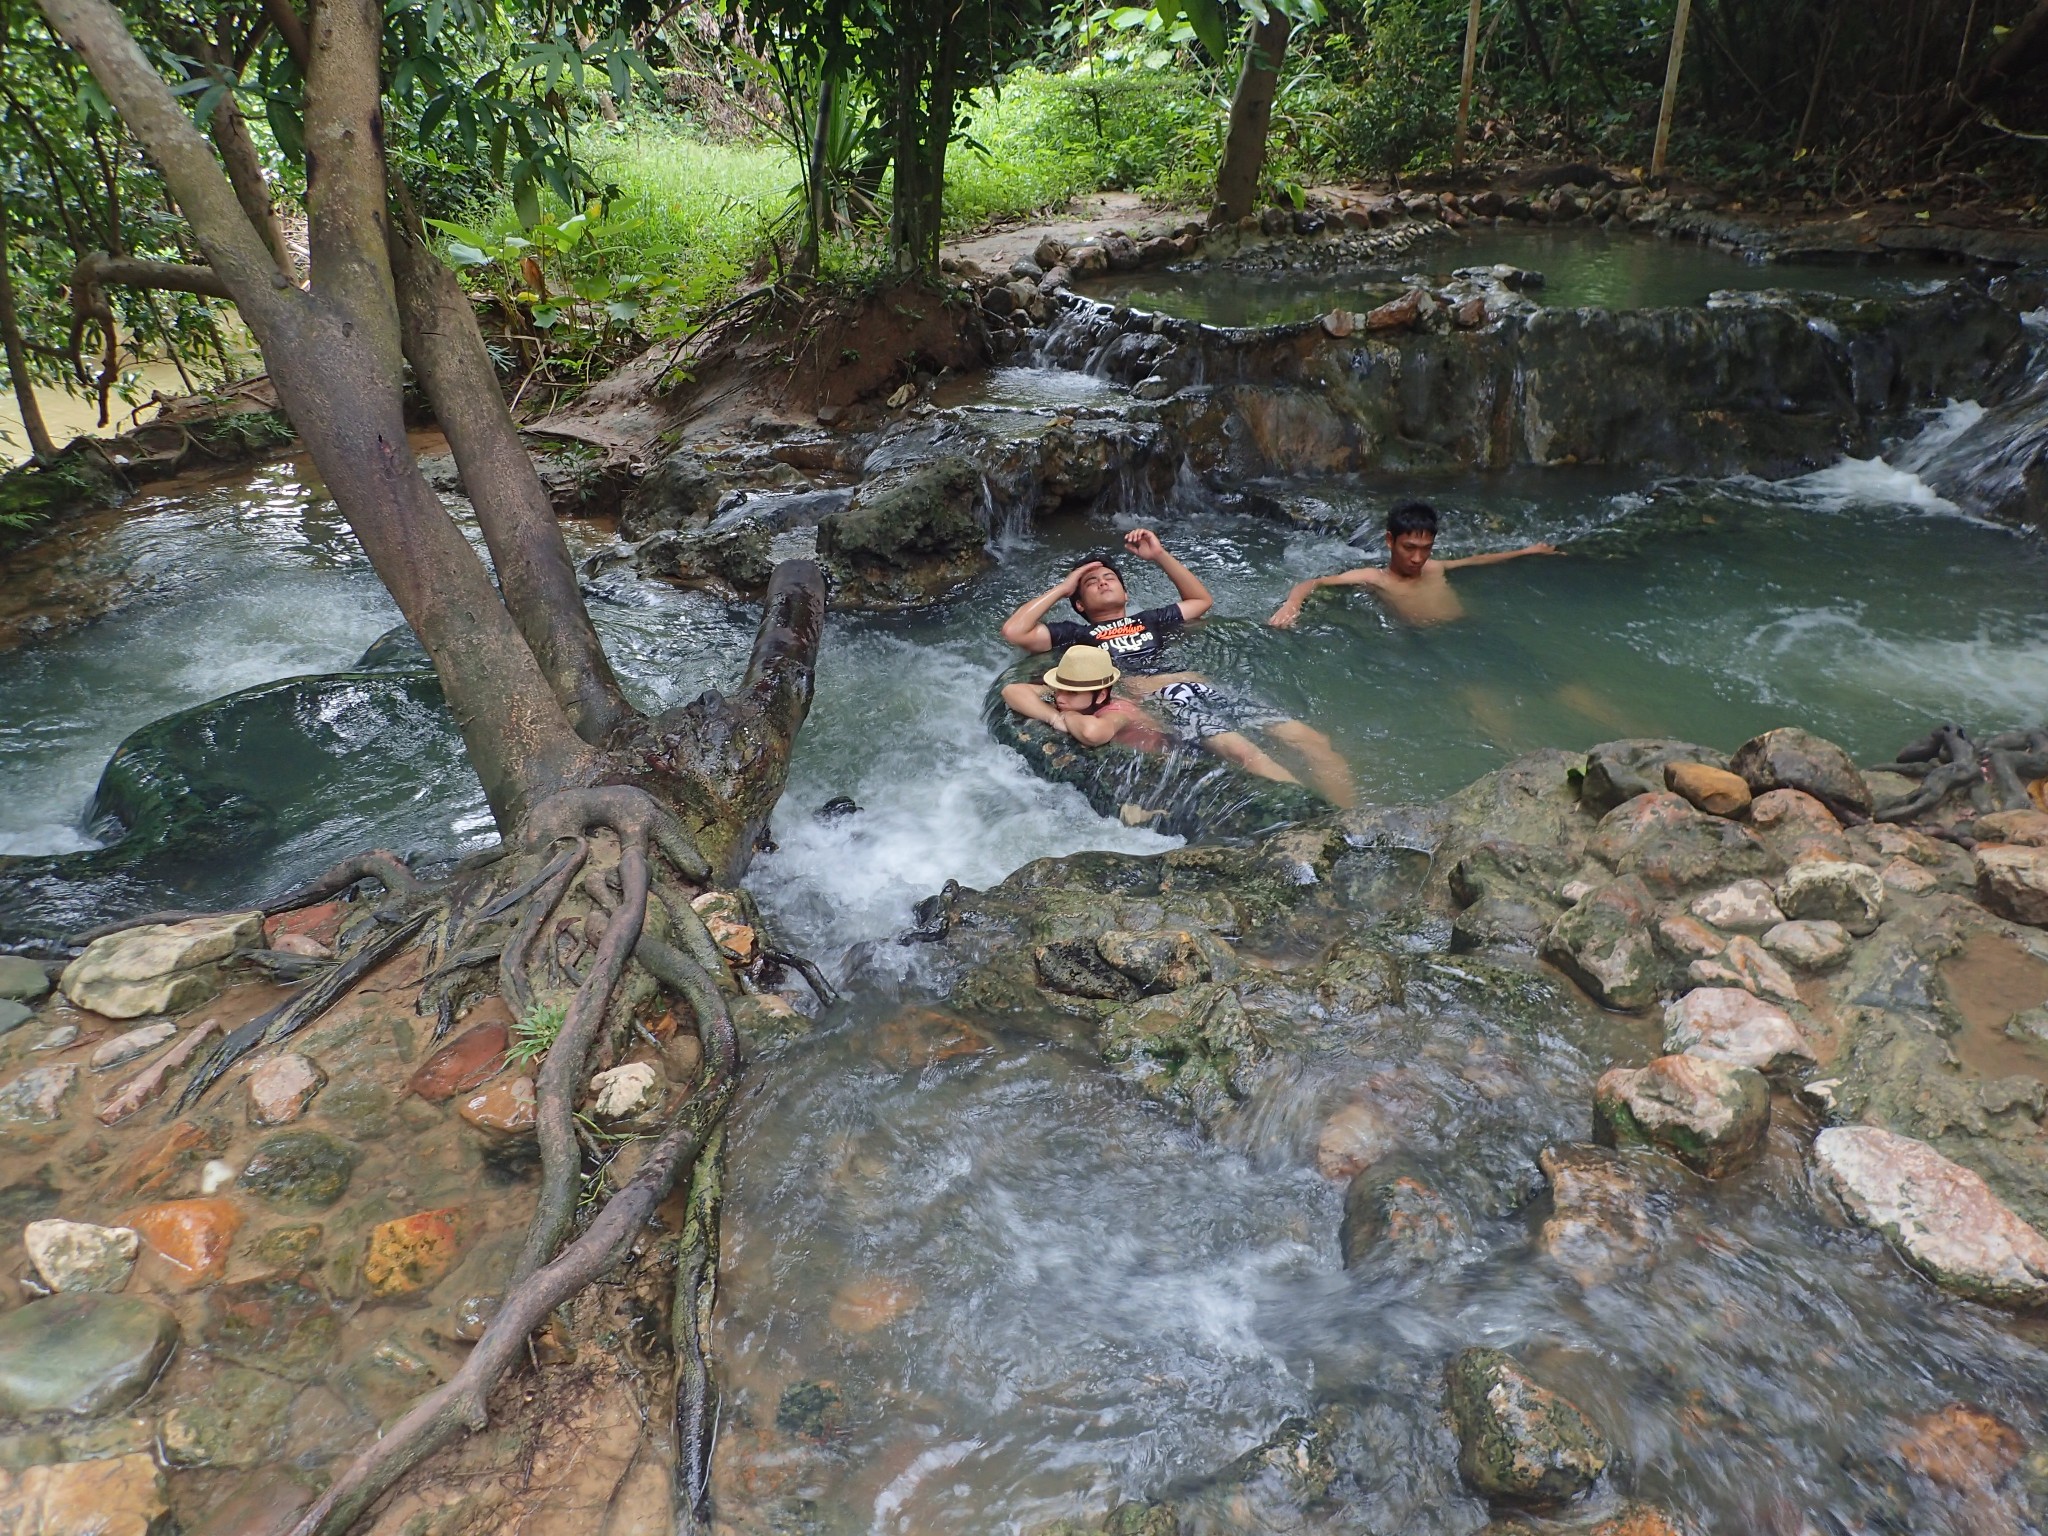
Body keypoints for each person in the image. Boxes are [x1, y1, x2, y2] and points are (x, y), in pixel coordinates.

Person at [1000, 526, 1355, 806]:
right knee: (1244, 752)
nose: (1103, 581)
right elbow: (1015, 631)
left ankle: (1348, 814)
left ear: (1125, 594)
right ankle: (1319, 820)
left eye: (1110, 578)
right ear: (1078, 604)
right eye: (1091, 583)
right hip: (1164, 700)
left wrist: (1159, 556)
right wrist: (1063, 587)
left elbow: (1201, 601)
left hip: (1198, 687)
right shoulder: (1076, 634)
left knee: (1313, 740)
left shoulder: (1150, 619)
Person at [1266, 501, 1560, 628]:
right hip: (1429, 641)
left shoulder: (1435, 567)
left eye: (1426, 549)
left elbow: (1478, 560)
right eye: (1409, 548)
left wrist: (1529, 551)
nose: (1418, 558)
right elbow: (1313, 582)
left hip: (1468, 627)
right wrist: (1292, 605)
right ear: (1390, 541)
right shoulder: (1375, 578)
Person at [1000, 644, 1175, 752]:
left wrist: (1069, 716)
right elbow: (1011, 691)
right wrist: (1053, 717)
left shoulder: (1120, 711)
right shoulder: (1067, 696)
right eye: (1059, 689)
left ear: (1101, 695)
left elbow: (1093, 733)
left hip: (1159, 756)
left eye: (1072, 692)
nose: (1060, 697)